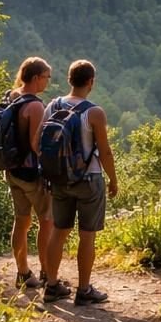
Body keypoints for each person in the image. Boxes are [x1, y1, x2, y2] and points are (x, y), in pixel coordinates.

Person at [41, 60, 119, 305]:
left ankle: (52, 286)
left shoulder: (53, 105)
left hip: (59, 179)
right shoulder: (94, 112)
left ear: (69, 80)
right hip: (89, 180)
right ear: (91, 82)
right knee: (87, 236)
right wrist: (113, 180)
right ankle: (83, 290)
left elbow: (39, 142)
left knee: (58, 232)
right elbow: (105, 152)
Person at [4, 57, 57, 292]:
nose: (47, 81)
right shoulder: (35, 105)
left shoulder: (11, 97)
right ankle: (47, 273)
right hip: (31, 173)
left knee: (21, 221)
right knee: (47, 221)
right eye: (46, 77)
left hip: (12, 169)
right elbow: (38, 145)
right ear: (36, 77)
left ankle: (23, 272)